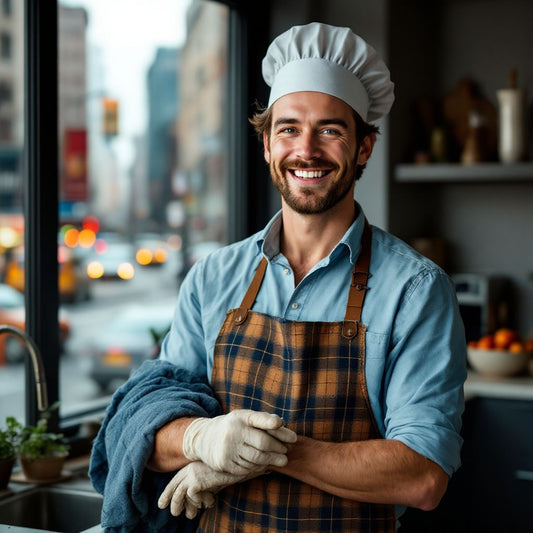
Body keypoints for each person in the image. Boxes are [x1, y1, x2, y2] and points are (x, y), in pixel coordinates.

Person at [90, 22, 466, 533]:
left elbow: (422, 476)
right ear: (266, 145)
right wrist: (200, 437)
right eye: (288, 128)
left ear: (364, 148)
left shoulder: (415, 290)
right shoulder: (213, 277)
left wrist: (265, 453)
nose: (305, 150)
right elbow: (149, 421)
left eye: (330, 130)